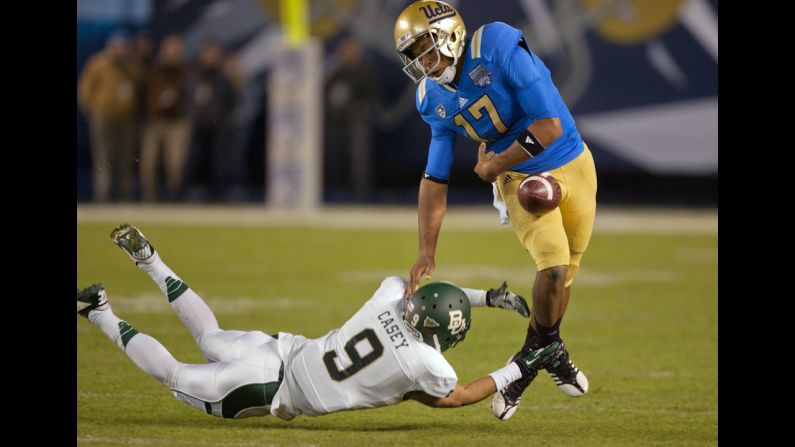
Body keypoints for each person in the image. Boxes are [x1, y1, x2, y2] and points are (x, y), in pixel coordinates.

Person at [76, 224, 565, 421]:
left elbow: (422, 289)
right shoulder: (425, 364)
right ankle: (99, 311)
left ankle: (151, 262)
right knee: (174, 374)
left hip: (280, 350)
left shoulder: (390, 296)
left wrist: (482, 297)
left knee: (208, 335)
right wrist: (519, 365)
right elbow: (455, 396)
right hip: (274, 390)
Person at [393, 1, 596, 420]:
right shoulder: (432, 98)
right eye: (415, 57)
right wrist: (426, 250)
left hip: (572, 158)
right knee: (553, 267)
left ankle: (537, 354)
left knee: (566, 273)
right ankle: (531, 363)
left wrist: (491, 164)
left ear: (449, 35)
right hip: (519, 179)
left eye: (426, 50)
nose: (424, 64)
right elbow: (435, 176)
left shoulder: (498, 45)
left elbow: (549, 125)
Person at [78, 30, 142, 202]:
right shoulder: (98, 63)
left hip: (126, 120)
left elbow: (139, 86)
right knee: (103, 159)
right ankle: (102, 197)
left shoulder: (130, 65)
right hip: (103, 119)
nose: (120, 50)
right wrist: (95, 110)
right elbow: (85, 90)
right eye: (117, 47)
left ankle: (124, 196)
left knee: (125, 160)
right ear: (110, 46)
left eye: (123, 47)